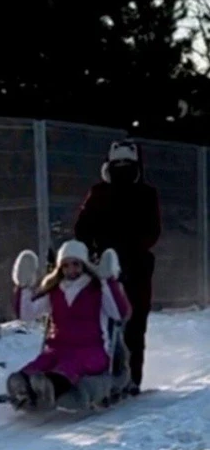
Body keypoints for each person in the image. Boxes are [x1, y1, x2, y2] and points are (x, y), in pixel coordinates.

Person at [74, 139, 161, 393]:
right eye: (117, 165)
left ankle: (131, 378)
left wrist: (128, 247)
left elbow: (152, 232)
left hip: (136, 267)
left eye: (127, 165)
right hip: (101, 266)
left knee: (133, 324)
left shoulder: (146, 194)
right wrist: (91, 250)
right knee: (97, 322)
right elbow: (82, 227)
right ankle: (95, 374)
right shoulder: (99, 193)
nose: (122, 169)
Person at [7, 240, 130, 412]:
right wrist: (24, 287)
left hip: (90, 350)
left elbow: (118, 313)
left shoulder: (96, 290)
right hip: (56, 349)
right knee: (40, 364)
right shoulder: (55, 291)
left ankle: (51, 387)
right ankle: (23, 386)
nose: (71, 270)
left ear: (84, 265)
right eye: (65, 266)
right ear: (60, 268)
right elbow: (27, 314)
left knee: (69, 366)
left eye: (75, 264)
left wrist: (107, 281)